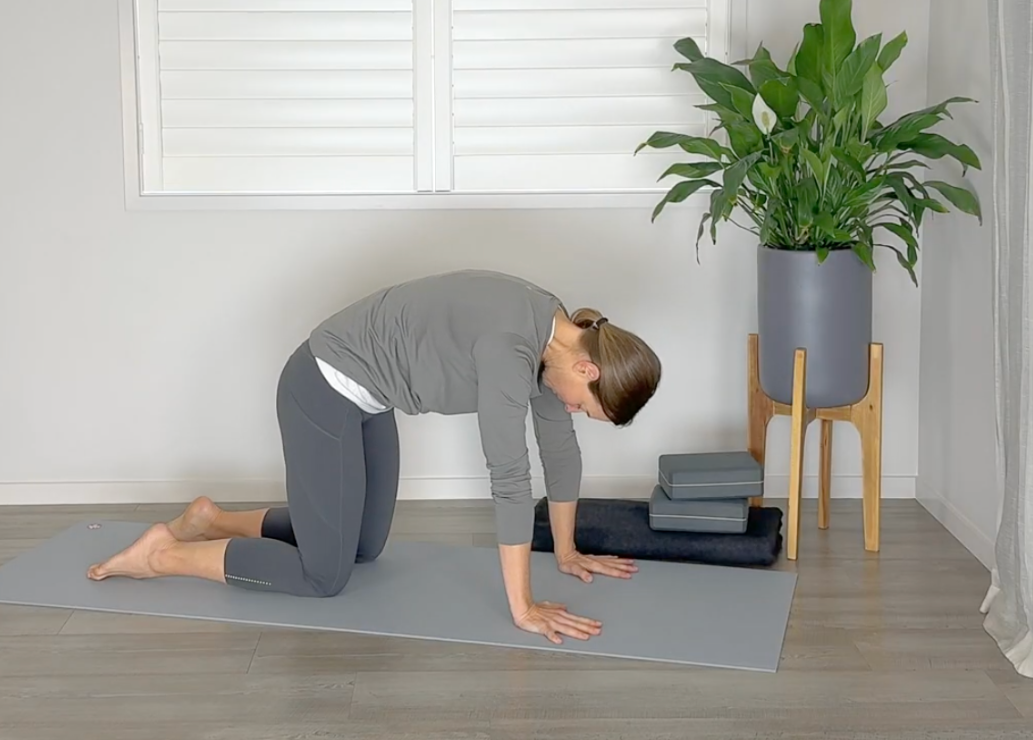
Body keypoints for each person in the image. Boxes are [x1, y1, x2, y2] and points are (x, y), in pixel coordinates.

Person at [87, 270, 663, 644]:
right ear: (587, 369)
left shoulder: (556, 334)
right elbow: (510, 479)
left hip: (370, 397)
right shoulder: (510, 349)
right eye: (587, 407)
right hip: (322, 386)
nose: (574, 413)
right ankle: (163, 555)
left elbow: (558, 452)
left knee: (365, 545)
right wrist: (524, 607)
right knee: (323, 575)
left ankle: (211, 521)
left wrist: (565, 551)